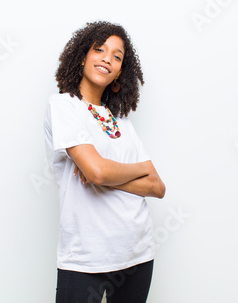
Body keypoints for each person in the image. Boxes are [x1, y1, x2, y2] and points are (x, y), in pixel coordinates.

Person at [43, 20, 165, 303]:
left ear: (120, 71)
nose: (107, 59)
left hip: (138, 252)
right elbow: (97, 172)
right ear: (83, 55)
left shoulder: (121, 121)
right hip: (86, 258)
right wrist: (139, 170)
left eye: (117, 56)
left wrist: (112, 173)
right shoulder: (63, 106)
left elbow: (158, 187)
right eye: (100, 50)